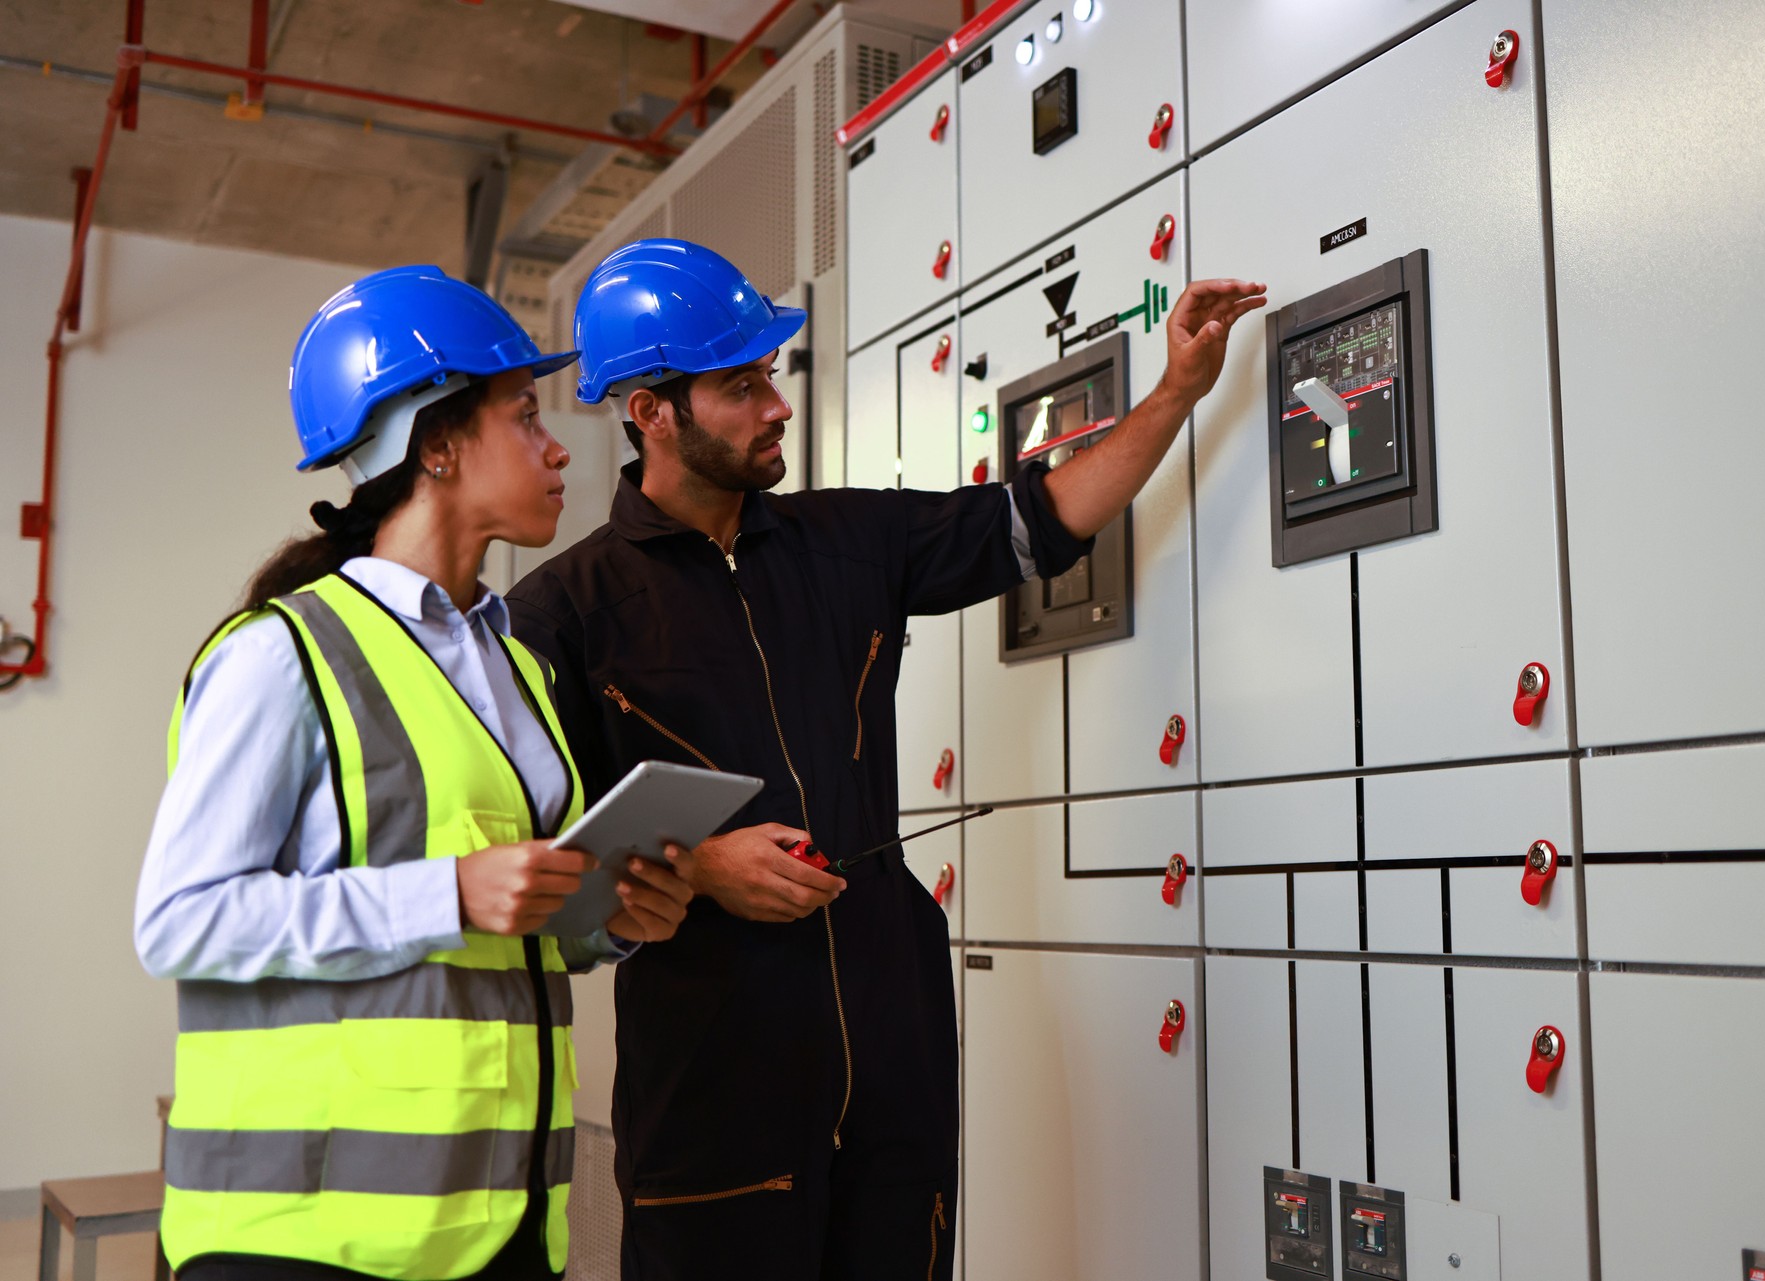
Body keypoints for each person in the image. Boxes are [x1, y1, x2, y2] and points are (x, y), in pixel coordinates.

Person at [505, 238, 1265, 1280]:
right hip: (714, 1077)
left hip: (890, 1037)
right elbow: (548, 870)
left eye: (771, 376)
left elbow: (1040, 522)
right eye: (741, 385)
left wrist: (1177, 391)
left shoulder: (846, 540)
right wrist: (702, 869)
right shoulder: (560, 616)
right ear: (650, 412)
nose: (775, 404)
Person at [134, 265, 695, 1281]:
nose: (559, 444)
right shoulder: (279, 653)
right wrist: (450, 893)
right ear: (436, 444)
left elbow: (502, 929)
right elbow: (180, 920)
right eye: (525, 416)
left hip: (494, 1222)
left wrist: (608, 919)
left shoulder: (514, 661)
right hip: (305, 1239)